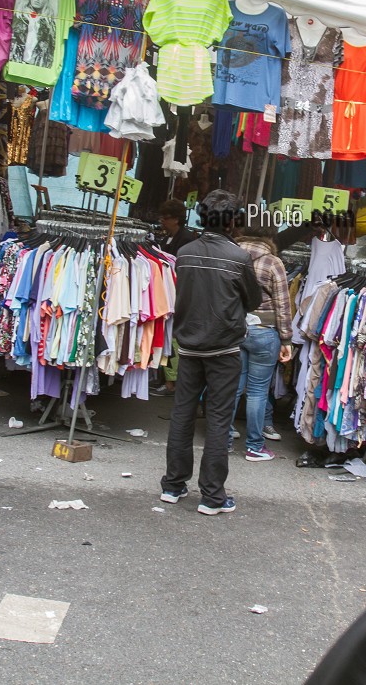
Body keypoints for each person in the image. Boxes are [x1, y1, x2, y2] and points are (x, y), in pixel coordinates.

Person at [161, 190, 261, 516]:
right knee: (218, 420)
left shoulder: (185, 252)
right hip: (224, 349)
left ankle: (173, 486)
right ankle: (212, 496)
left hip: (189, 347)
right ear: (232, 221)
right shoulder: (239, 258)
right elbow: (253, 300)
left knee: (183, 414)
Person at [231, 219, 294, 461]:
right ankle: (254, 447)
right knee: (257, 390)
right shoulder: (273, 262)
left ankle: (223, 437)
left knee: (234, 385)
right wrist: (287, 340)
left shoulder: (232, 254)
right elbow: (283, 304)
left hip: (235, 327)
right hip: (265, 332)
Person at [153, 199, 200, 395]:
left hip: (179, 295)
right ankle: (167, 379)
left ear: (176, 219)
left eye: (166, 217)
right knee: (167, 336)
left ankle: (172, 382)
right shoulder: (167, 239)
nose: (162, 221)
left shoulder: (187, 240)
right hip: (168, 293)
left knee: (173, 338)